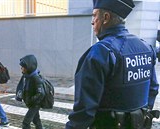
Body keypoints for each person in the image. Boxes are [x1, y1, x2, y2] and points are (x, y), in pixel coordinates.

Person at [65, 0, 159, 129]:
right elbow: (153, 89)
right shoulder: (146, 47)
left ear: (105, 18)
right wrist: (138, 116)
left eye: (94, 16)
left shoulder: (100, 52)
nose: (92, 21)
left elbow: (84, 111)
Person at [17, 54, 45, 129]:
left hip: (35, 104)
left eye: (23, 67)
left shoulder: (35, 78)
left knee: (25, 123)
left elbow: (41, 93)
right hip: (31, 104)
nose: (21, 68)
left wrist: (31, 100)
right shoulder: (27, 76)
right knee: (36, 121)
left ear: (28, 67)